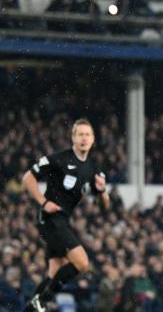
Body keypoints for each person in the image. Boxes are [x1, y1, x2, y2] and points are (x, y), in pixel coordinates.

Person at [22, 119, 110, 312]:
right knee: (82, 263)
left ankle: (32, 308)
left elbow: (105, 208)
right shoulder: (59, 159)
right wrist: (43, 202)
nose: (84, 138)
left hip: (62, 221)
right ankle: (42, 300)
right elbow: (27, 178)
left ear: (93, 139)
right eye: (80, 134)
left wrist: (102, 192)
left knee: (55, 273)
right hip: (50, 219)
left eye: (88, 134)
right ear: (73, 138)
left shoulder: (93, 169)